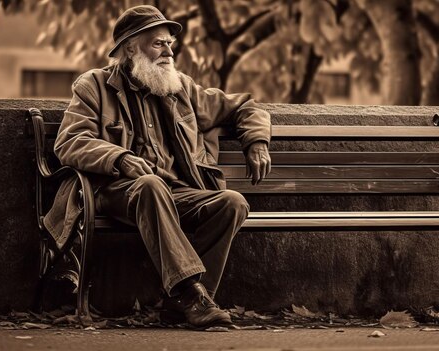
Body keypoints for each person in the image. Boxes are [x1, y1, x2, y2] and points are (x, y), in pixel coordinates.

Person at [44, 5, 271, 328]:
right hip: (115, 191)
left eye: (169, 44)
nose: (169, 51)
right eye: (158, 43)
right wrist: (118, 158)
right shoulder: (93, 86)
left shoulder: (181, 88)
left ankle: (183, 302)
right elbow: (69, 142)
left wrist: (256, 142)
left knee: (231, 203)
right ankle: (192, 297)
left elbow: (244, 107)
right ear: (130, 47)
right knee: (151, 185)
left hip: (176, 191)